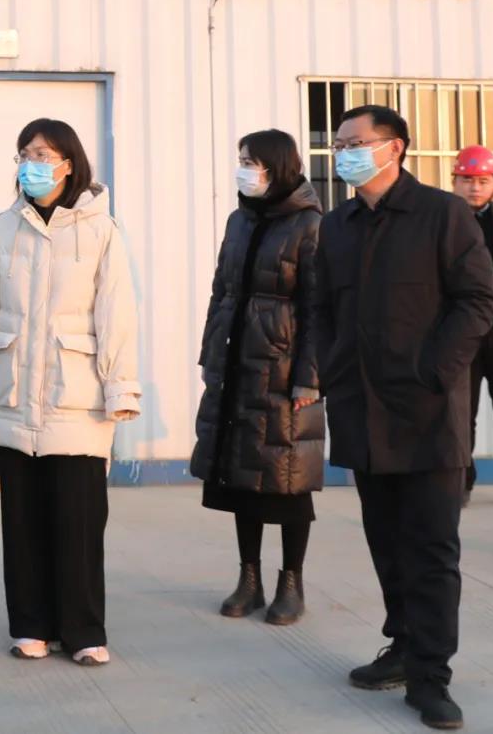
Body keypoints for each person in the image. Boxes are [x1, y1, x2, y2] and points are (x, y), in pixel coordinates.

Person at [314, 105, 493, 731]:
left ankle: (431, 676)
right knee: (386, 541)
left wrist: (435, 370)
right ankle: (402, 644)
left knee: (431, 548)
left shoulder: (442, 215)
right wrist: (332, 368)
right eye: (339, 144)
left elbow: (478, 299)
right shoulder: (336, 225)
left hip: (427, 413)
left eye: (355, 143)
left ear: (394, 148)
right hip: (362, 409)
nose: (344, 154)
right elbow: (320, 308)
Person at [0, 118, 140, 667]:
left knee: (78, 520)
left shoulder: (101, 230)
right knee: (22, 519)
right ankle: (31, 624)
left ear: (68, 163)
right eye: (24, 154)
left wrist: (121, 388)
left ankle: (82, 630)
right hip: (15, 393)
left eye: (41, 154)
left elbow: (117, 313)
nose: (30, 164)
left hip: (77, 396)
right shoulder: (3, 228)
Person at [191, 129, 324, 627]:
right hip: (237, 366)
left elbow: (318, 307)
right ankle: (250, 578)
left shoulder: (310, 224)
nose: (243, 169)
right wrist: (211, 351)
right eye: (241, 160)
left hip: (284, 370)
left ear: (277, 166)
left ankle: (291, 581)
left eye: (251, 162)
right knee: (241, 473)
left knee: (288, 478)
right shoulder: (240, 219)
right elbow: (221, 290)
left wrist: (309, 378)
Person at [451, 144, 493, 508]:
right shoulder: (444, 222)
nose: (474, 188)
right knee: (459, 415)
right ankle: (459, 483)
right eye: (467, 180)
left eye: (483, 181)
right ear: (454, 181)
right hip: (461, 334)